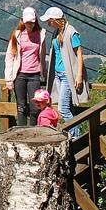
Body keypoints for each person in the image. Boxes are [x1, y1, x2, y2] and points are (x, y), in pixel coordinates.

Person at [42, 7, 88, 136]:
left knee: (63, 109)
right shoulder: (57, 32)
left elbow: (79, 54)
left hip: (68, 75)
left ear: (55, 20)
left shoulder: (71, 32)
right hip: (58, 74)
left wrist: (79, 76)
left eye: (49, 21)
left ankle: (75, 136)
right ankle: (73, 134)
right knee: (66, 107)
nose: (48, 23)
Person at [4, 7, 46, 127]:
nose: (30, 25)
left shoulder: (41, 34)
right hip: (20, 75)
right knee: (21, 106)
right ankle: (21, 130)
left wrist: (44, 72)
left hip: (35, 74)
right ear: (23, 21)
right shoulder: (17, 35)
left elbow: (42, 56)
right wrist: (9, 79)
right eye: (28, 22)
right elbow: (10, 57)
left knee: (35, 107)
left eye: (32, 22)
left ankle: (32, 131)